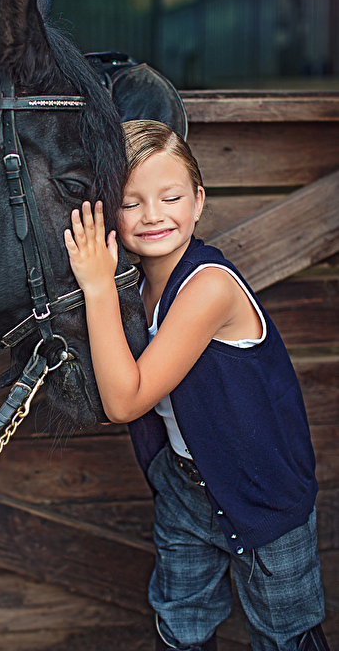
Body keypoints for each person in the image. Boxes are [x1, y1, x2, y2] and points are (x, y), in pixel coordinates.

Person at [64, 119, 329, 651]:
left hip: (260, 492)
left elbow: (124, 401)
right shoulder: (135, 290)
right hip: (183, 487)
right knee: (181, 626)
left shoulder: (209, 288)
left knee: (285, 636)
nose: (153, 214)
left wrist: (95, 286)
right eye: (131, 202)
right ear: (108, 212)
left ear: (199, 200)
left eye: (171, 197)